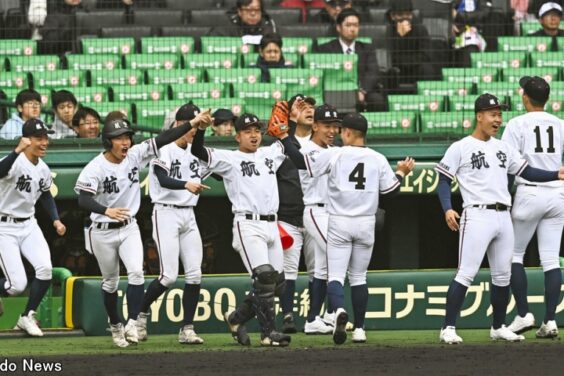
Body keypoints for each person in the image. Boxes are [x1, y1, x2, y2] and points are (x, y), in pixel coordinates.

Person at [274, 112, 415, 344]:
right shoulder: (377, 158)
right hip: (366, 223)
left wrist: (285, 138)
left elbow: (301, 162)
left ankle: (337, 310)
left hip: (339, 221)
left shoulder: (335, 153)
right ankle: (360, 329)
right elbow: (391, 192)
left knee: (335, 276)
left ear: (347, 132)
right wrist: (401, 173)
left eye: (341, 130)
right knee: (359, 277)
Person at [75, 110, 212, 348]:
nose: (125, 141)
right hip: (102, 229)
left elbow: (164, 137)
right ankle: (116, 324)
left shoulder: (135, 155)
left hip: (129, 226)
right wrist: (106, 211)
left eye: (127, 136)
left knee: (136, 273)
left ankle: (131, 322)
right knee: (110, 281)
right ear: (109, 141)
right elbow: (83, 200)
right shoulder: (95, 167)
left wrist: (193, 124)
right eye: (119, 137)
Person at [435, 93, 564, 344]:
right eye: (493, 114)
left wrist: (554, 174)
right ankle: (448, 327)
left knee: (502, 277)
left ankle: (498, 326)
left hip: (503, 215)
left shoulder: (503, 147)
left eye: (500, 114)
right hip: (477, 214)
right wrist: (448, 208)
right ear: (479, 116)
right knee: (466, 273)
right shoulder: (460, 147)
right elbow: (442, 179)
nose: (498, 119)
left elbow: (526, 171)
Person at [191, 113, 291, 347]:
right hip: (248, 224)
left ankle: (236, 319)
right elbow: (198, 152)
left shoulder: (270, 153)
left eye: (257, 130)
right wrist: (202, 130)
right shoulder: (230, 159)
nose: (254, 135)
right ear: (238, 137)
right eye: (247, 131)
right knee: (265, 277)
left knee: (277, 284)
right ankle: (268, 334)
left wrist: (291, 119)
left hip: (271, 224)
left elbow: (290, 143)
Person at [137, 103, 211, 345]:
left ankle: (187, 329)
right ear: (179, 124)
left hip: (189, 214)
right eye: (192, 124)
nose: (194, 130)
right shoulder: (164, 149)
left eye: (198, 125)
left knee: (194, 274)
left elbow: (215, 169)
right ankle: (140, 316)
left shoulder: (197, 151)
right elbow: (162, 178)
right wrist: (186, 185)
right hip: (165, 212)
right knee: (168, 276)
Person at [502, 76, 564, 339]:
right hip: (558, 193)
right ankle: (549, 321)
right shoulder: (560, 124)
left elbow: (505, 163)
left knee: (513, 255)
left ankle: (523, 314)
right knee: (550, 259)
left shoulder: (516, 123)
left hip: (529, 192)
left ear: (525, 96)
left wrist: (504, 195)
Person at [0, 119, 66, 336]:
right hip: (4, 227)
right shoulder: (14, 162)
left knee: (45, 270)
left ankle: (27, 316)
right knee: (16, 285)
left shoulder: (43, 168)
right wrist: (15, 150)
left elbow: (45, 194)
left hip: (29, 224)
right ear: (27, 140)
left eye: (46, 138)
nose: (44, 142)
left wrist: (55, 219)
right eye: (39, 138)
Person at [299, 103, 342, 334]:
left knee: (323, 268)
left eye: (334, 126)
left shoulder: (333, 149)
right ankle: (335, 312)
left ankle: (315, 318)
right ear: (314, 125)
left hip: (333, 211)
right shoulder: (306, 149)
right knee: (337, 252)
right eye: (326, 125)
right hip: (315, 209)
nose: (331, 130)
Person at [317, 8, 385, 111]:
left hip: (360, 91)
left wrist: (362, 91)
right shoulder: (325, 48)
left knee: (377, 100)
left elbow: (373, 72)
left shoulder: (367, 48)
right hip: (333, 91)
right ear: (338, 27)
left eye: (356, 25)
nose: (352, 29)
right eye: (348, 25)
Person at [386, 0, 435, 88]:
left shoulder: (421, 29)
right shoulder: (389, 31)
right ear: (392, 16)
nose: (405, 18)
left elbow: (426, 55)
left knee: (427, 68)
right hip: (399, 70)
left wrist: (405, 61)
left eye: (408, 14)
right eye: (400, 15)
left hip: (417, 69)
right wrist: (399, 36)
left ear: (412, 15)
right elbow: (390, 57)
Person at [210, 0, 277, 38]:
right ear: (239, 12)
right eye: (248, 10)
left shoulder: (269, 25)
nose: (253, 13)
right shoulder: (227, 25)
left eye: (257, 9)